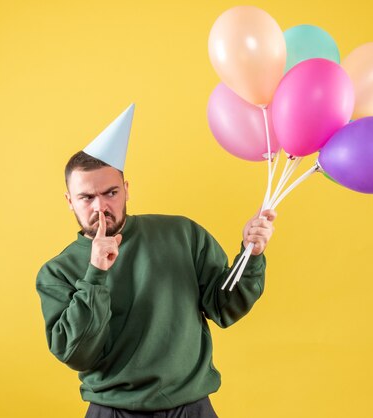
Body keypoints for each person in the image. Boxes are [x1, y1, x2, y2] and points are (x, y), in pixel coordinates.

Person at [36, 105, 276, 418]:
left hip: (192, 408)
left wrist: (250, 254)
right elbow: (76, 353)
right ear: (69, 201)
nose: (100, 207)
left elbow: (225, 307)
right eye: (86, 197)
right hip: (114, 410)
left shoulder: (181, 234)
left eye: (110, 193)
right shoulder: (57, 272)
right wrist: (95, 274)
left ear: (126, 190)